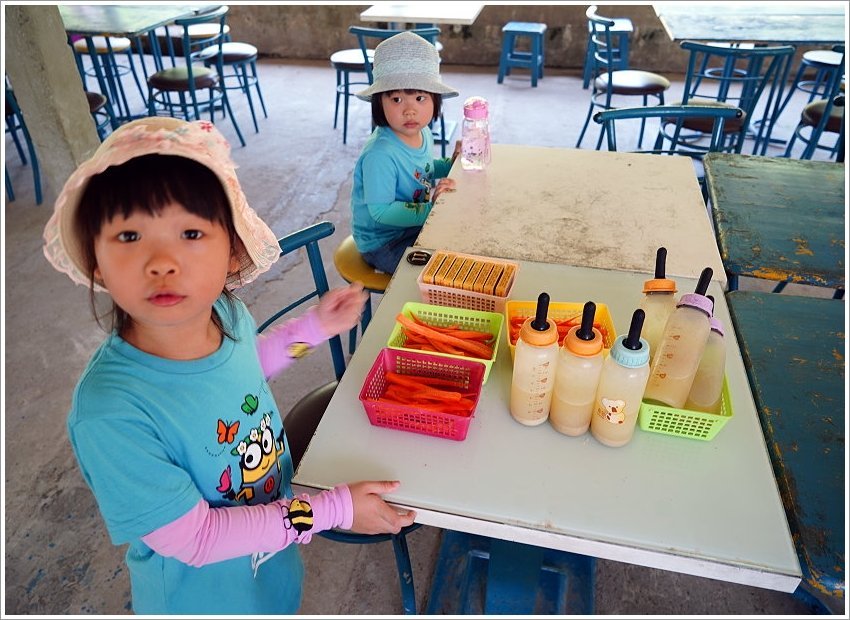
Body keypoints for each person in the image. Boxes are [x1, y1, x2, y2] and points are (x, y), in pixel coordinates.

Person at [42, 117, 416, 615]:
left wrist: (312, 331)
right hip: (203, 601)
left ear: (231, 248)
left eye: (191, 232)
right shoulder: (111, 412)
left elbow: (249, 366)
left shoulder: (225, 313)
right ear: (95, 260)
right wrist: (334, 509)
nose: (162, 261)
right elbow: (198, 538)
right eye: (129, 236)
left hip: (270, 569)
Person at [350, 31, 460, 274]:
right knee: (438, 274)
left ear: (435, 101)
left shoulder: (423, 133)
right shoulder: (380, 154)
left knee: (461, 243)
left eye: (420, 97)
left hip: (412, 225)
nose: (410, 110)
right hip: (384, 242)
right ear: (379, 103)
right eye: (397, 99)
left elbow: (423, 168)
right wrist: (430, 209)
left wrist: (451, 163)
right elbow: (381, 211)